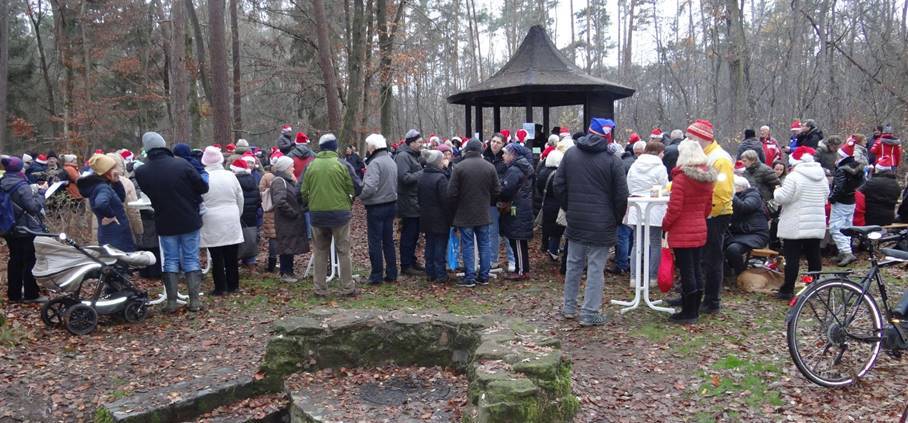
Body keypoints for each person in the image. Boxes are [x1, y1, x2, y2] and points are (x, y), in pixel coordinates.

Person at [554, 118, 629, 327]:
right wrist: (615, 218)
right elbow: (621, 196)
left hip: (577, 218)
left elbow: (558, 185)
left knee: (573, 264)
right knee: (596, 268)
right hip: (603, 222)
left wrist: (570, 207)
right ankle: (589, 312)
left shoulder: (570, 154)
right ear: (607, 136)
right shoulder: (612, 160)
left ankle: (569, 307)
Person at [134, 132, 209, 312]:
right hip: (188, 217)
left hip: (164, 219)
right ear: (163, 145)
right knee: (191, 258)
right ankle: (194, 301)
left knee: (170, 260)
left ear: (147, 148)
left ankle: (172, 302)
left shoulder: (142, 171)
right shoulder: (181, 164)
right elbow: (203, 187)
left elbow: (149, 193)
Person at [300, 134, 362, 297]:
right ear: (335, 147)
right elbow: (355, 187)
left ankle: (319, 288)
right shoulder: (343, 165)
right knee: (343, 250)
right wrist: (348, 202)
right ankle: (348, 287)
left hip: (317, 215)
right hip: (340, 214)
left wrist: (309, 205)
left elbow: (302, 190)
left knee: (320, 251)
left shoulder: (311, 166)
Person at [682, 119, 734, 314]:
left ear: (701, 138)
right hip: (702, 213)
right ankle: (692, 294)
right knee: (698, 258)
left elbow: (723, 192)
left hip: (716, 215)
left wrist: (706, 212)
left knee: (711, 259)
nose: (687, 141)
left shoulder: (719, 159)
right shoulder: (703, 155)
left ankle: (712, 300)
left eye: (690, 138)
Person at [661, 140, 716, 323]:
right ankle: (694, 309)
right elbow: (708, 207)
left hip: (682, 230)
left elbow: (674, 209)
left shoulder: (681, 179)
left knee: (686, 271)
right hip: (700, 228)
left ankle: (688, 312)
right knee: (696, 269)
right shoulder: (708, 178)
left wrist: (665, 225)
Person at [774, 147, 829, 300]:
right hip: (816, 221)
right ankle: (813, 286)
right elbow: (826, 196)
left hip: (796, 222)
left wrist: (776, 190)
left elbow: (783, 198)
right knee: (814, 255)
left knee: (792, 257)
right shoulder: (822, 176)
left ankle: (787, 289)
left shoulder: (794, 177)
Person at [447, 139, 500, 287]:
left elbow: (451, 192)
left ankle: (469, 276)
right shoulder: (489, 167)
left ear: (467, 150)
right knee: (484, 244)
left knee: (468, 245)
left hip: (464, 213)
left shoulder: (459, 168)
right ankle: (484, 276)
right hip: (483, 211)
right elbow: (497, 190)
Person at [198, 147, 244, 296]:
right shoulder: (230, 175)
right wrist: (237, 213)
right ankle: (233, 285)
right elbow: (240, 197)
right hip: (231, 216)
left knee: (216, 256)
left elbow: (199, 200)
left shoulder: (203, 177)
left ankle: (220, 287)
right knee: (232, 255)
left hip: (211, 218)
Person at [2, 157, 47, 303]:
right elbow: (33, 208)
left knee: (15, 260)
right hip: (26, 229)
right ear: (19, 169)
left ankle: (13, 294)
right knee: (29, 261)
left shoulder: (2, 182)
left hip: (9, 227)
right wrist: (41, 194)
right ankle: (31, 294)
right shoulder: (22, 185)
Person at [624, 141, 669, 285]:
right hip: (654, 206)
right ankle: (652, 277)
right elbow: (664, 186)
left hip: (637, 205)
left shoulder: (635, 165)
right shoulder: (660, 167)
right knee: (655, 243)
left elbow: (629, 185)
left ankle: (634, 277)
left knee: (637, 243)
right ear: (659, 152)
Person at [359, 133, 399, 285]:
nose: (368, 149)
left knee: (375, 241)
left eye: (369, 146)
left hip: (377, 206)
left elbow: (370, 187)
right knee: (388, 241)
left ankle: (376, 275)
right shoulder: (390, 160)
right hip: (391, 204)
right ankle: (392, 272)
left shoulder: (375, 163)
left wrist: (361, 195)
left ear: (374, 147)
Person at [76, 154, 136, 253]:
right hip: (115, 236)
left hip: (112, 234)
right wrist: (110, 216)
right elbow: (101, 204)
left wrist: (116, 182)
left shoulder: (102, 185)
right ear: (106, 171)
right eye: (113, 168)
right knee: (120, 265)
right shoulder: (102, 188)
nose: (116, 170)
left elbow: (120, 198)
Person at [269, 155, 309, 282]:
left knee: (289, 246)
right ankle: (285, 272)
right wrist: (292, 213)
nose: (293, 168)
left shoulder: (288, 181)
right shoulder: (279, 182)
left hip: (290, 220)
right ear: (285, 168)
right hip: (285, 220)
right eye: (291, 166)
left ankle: (289, 271)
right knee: (286, 246)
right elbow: (279, 201)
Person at [498, 143, 535, 280]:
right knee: (519, 241)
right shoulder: (522, 167)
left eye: (505, 153)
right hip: (522, 208)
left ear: (512, 154)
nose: (503, 156)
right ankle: (522, 269)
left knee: (517, 240)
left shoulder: (514, 170)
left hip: (517, 209)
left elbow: (506, 190)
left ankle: (521, 271)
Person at [611, 140, 647, 275]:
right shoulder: (641, 164)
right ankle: (634, 262)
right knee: (635, 236)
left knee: (623, 234)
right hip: (644, 204)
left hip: (628, 202)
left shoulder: (623, 165)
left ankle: (621, 264)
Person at [724, 177, 770, 279]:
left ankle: (741, 275)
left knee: (733, 249)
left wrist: (730, 195)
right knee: (716, 245)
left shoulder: (753, 195)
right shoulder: (737, 196)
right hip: (738, 233)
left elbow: (745, 207)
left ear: (740, 187)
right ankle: (726, 273)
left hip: (756, 234)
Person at [417, 150, 451, 283]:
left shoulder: (422, 176)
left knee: (430, 244)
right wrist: (450, 217)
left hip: (426, 216)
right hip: (440, 218)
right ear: (438, 162)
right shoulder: (441, 178)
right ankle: (440, 273)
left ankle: (430, 272)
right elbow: (445, 200)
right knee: (440, 246)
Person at [828, 140, 864, 266]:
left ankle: (846, 252)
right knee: (846, 226)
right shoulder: (857, 168)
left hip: (841, 201)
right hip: (851, 200)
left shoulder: (842, 170)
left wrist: (832, 198)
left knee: (835, 227)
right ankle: (843, 251)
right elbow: (859, 184)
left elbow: (840, 187)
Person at [395, 129, 425, 276]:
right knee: (409, 234)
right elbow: (404, 178)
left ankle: (412, 261)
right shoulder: (403, 157)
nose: (422, 144)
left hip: (415, 201)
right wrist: (423, 172)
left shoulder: (414, 156)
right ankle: (406, 265)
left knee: (414, 235)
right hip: (407, 202)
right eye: (419, 142)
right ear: (411, 142)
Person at [537, 138, 572, 261]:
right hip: (558, 205)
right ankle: (554, 251)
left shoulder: (542, 172)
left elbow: (539, 188)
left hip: (546, 204)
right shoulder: (559, 175)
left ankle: (550, 249)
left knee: (549, 230)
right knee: (558, 231)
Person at [484, 133, 515, 271]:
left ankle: (512, 260)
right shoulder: (485, 157)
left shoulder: (507, 159)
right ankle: (492, 259)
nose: (494, 144)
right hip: (490, 201)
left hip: (506, 201)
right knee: (492, 232)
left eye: (498, 142)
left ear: (503, 144)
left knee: (508, 232)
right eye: (493, 141)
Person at [231, 158, 262, 274]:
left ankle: (233, 265)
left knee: (235, 241)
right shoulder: (253, 180)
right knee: (250, 240)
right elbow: (258, 200)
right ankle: (252, 267)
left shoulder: (233, 181)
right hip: (251, 216)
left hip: (237, 216)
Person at [860, 156, 902, 226]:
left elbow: (859, 193)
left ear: (878, 169)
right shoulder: (896, 184)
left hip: (870, 217)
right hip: (889, 218)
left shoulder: (872, 182)